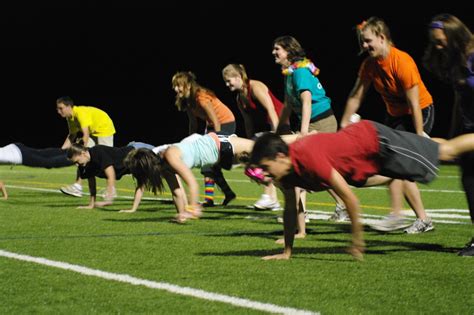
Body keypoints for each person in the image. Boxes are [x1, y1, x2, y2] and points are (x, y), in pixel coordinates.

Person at [248, 119, 474, 261]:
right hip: (365, 159)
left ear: (279, 156)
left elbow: (351, 200)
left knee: (446, 152)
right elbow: (289, 210)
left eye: (266, 168)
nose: (266, 175)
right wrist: (287, 251)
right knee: (434, 149)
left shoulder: (307, 156)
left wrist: (357, 241)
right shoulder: (286, 172)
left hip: (376, 142)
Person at [340, 17, 435, 234]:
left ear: (382, 38)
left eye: (367, 41)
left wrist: (419, 133)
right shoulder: (370, 65)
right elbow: (356, 95)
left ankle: (407, 216)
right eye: (362, 42)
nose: (364, 46)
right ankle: (405, 216)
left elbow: (413, 102)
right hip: (395, 116)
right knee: (393, 162)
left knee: (401, 163)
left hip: (419, 112)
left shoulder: (401, 61)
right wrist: (345, 122)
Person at [124, 132, 300, 223]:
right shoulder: (163, 165)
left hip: (220, 145)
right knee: (260, 164)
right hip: (217, 154)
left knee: (262, 147)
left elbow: (192, 183)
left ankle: (301, 137)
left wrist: (192, 208)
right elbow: (177, 192)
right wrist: (181, 215)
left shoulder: (170, 155)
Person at [272, 35, 348, 225]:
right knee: (316, 169)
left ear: (288, 51)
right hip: (311, 122)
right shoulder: (289, 73)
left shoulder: (300, 71)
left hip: (321, 122)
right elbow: (288, 105)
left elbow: (306, 101)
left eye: (277, 49)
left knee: (308, 167)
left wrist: (304, 132)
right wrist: (278, 130)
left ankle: (300, 220)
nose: (274, 52)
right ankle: (340, 205)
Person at [422, 13, 474, 256]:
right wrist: (455, 131)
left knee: (445, 151)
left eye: (441, 41)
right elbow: (459, 100)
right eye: (434, 42)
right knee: (469, 181)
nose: (437, 46)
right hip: (469, 127)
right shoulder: (456, 62)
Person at [222, 63, 290, 211]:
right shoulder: (240, 98)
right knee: (256, 163)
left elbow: (271, 109)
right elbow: (248, 121)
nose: (227, 84)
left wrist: (275, 134)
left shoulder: (256, 87)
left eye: (229, 80)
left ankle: (270, 197)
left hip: (279, 125)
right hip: (264, 131)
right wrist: (249, 141)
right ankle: (272, 199)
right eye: (225, 82)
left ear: (239, 76)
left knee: (270, 162)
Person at [172, 71, 237, 207]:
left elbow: (216, 121)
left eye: (179, 85)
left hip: (225, 123)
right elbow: (193, 124)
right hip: (212, 125)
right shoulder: (187, 101)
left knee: (210, 161)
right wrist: (189, 142)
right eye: (175, 86)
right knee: (208, 165)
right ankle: (219, 196)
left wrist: (217, 143)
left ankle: (214, 197)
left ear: (189, 85)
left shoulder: (201, 97)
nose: (176, 89)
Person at [66, 141, 155, 210]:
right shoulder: (83, 165)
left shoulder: (98, 151)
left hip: (138, 151)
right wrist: (91, 204)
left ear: (83, 153)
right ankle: (133, 209)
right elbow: (91, 184)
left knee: (165, 170)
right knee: (145, 180)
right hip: (130, 164)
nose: (76, 165)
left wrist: (109, 195)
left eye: (77, 161)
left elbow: (111, 174)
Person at [56, 96, 116, 198]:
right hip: (93, 132)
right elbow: (71, 136)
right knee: (82, 158)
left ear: (69, 106)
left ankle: (111, 189)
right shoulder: (70, 118)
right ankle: (77, 187)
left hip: (104, 128)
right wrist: (60, 151)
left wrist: (81, 150)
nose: (58, 111)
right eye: (57, 108)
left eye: (61, 108)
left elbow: (85, 135)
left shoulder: (80, 113)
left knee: (105, 159)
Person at [0, 143, 72, 168]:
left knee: (47, 162)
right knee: (43, 154)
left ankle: (75, 160)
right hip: (14, 147)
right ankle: (72, 150)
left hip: (20, 155)